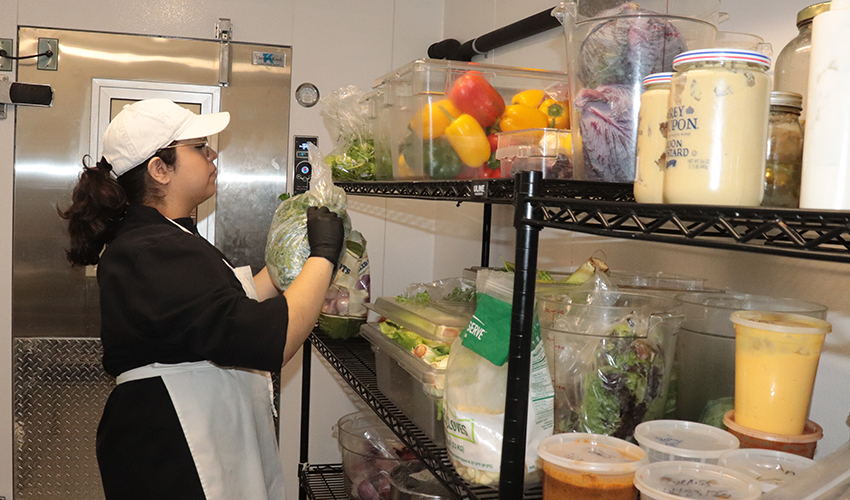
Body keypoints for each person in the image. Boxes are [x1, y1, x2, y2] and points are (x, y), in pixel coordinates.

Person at [59, 98, 344, 500]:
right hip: (172, 445)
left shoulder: (171, 237)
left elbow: (230, 306)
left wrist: (289, 256)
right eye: (198, 147)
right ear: (160, 169)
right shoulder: (151, 248)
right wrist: (323, 255)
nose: (212, 154)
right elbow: (268, 339)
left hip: (188, 430)